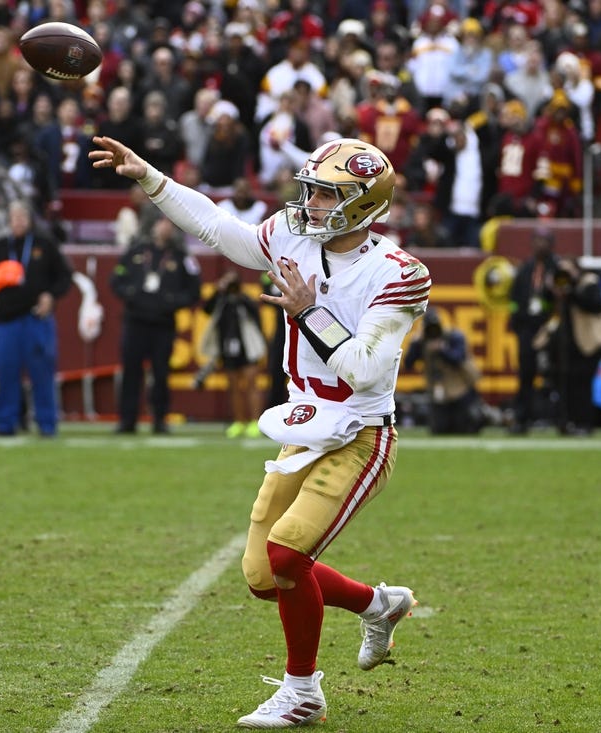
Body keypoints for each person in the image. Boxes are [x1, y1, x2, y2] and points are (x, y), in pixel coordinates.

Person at [90, 134, 430, 727]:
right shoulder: (294, 234)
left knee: (286, 554)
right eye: (314, 190)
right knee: (263, 575)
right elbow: (219, 229)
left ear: (365, 204)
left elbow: (362, 368)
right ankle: (379, 605)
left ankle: (302, 692)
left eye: (329, 195)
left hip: (361, 434)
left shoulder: (397, 272)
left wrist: (305, 311)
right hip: (306, 425)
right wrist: (148, 176)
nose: (313, 203)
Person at [0, 201, 73, 437]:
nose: (19, 221)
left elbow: (64, 276)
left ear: (30, 220)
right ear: (8, 221)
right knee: (6, 373)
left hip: (36, 319)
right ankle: (5, 423)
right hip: (7, 320)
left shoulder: (44, 244)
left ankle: (47, 424)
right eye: (14, 217)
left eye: (23, 216)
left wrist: (51, 296)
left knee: (42, 373)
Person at [109, 215, 201, 434]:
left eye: (170, 223)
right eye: (161, 222)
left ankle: (160, 418)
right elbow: (116, 278)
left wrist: (172, 302)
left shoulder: (180, 257)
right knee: (131, 372)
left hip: (163, 323)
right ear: (153, 226)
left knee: (161, 373)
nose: (165, 227)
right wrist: (130, 294)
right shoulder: (137, 251)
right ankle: (127, 419)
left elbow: (194, 290)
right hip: (135, 321)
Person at [532, 258, 601, 435]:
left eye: (568, 272)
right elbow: (545, 306)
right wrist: (550, 287)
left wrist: (571, 291)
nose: (564, 277)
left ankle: (584, 423)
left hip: (588, 344)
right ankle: (567, 422)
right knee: (565, 385)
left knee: (582, 386)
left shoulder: (589, 283)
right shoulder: (559, 288)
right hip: (566, 346)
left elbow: (595, 306)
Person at [201, 270, 267, 438]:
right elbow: (206, 309)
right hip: (228, 348)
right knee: (234, 385)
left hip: (247, 348)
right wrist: (218, 290)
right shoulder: (222, 301)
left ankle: (254, 421)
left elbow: (257, 321)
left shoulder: (244, 300)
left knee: (251, 383)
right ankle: (239, 421)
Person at [508, 227, 560, 434]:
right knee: (526, 374)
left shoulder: (556, 267)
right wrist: (518, 323)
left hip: (549, 328)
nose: (541, 244)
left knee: (554, 374)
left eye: (545, 240)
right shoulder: (526, 268)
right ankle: (522, 419)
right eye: (537, 240)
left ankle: (557, 418)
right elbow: (515, 298)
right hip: (527, 328)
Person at [404, 310, 484, 434]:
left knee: (464, 428)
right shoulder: (423, 341)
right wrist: (415, 343)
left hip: (461, 391)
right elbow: (408, 363)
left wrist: (442, 349)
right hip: (439, 394)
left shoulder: (454, 337)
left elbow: (458, 358)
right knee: (439, 430)